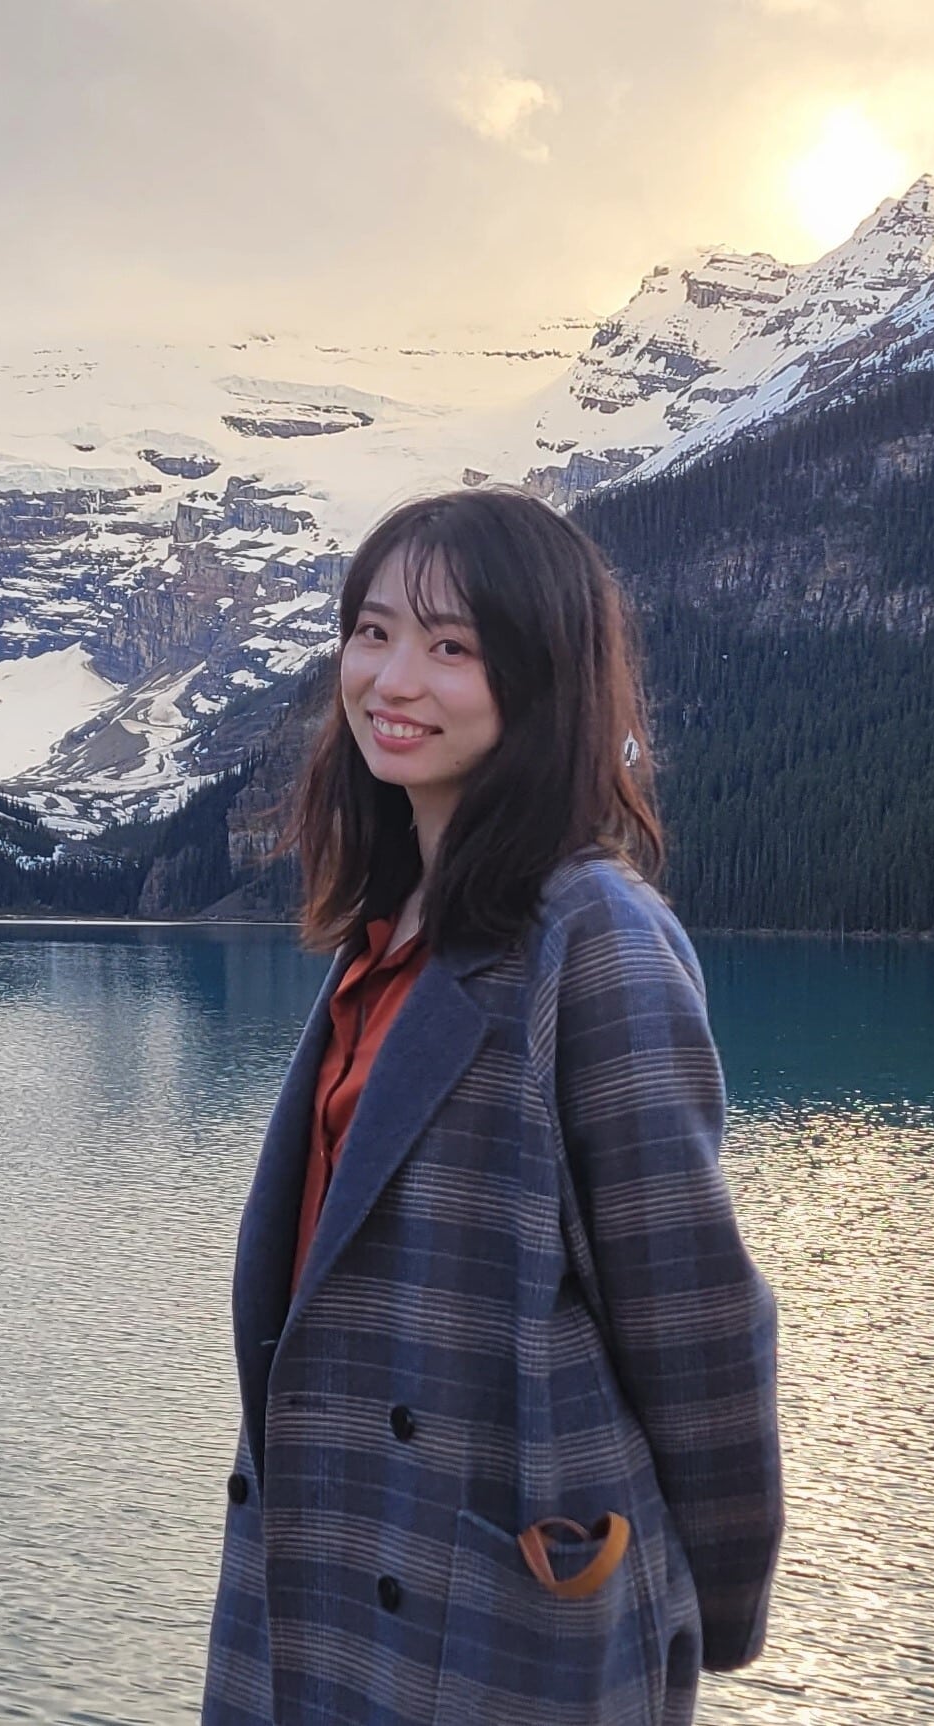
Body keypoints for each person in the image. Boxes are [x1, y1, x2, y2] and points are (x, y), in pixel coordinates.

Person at [201, 489, 784, 1726]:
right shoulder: (389, 926)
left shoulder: (596, 934)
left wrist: (706, 1606)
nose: (392, 678)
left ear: (539, 675)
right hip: (324, 1576)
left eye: (450, 646)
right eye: (371, 632)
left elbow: (695, 1313)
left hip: (494, 1620)